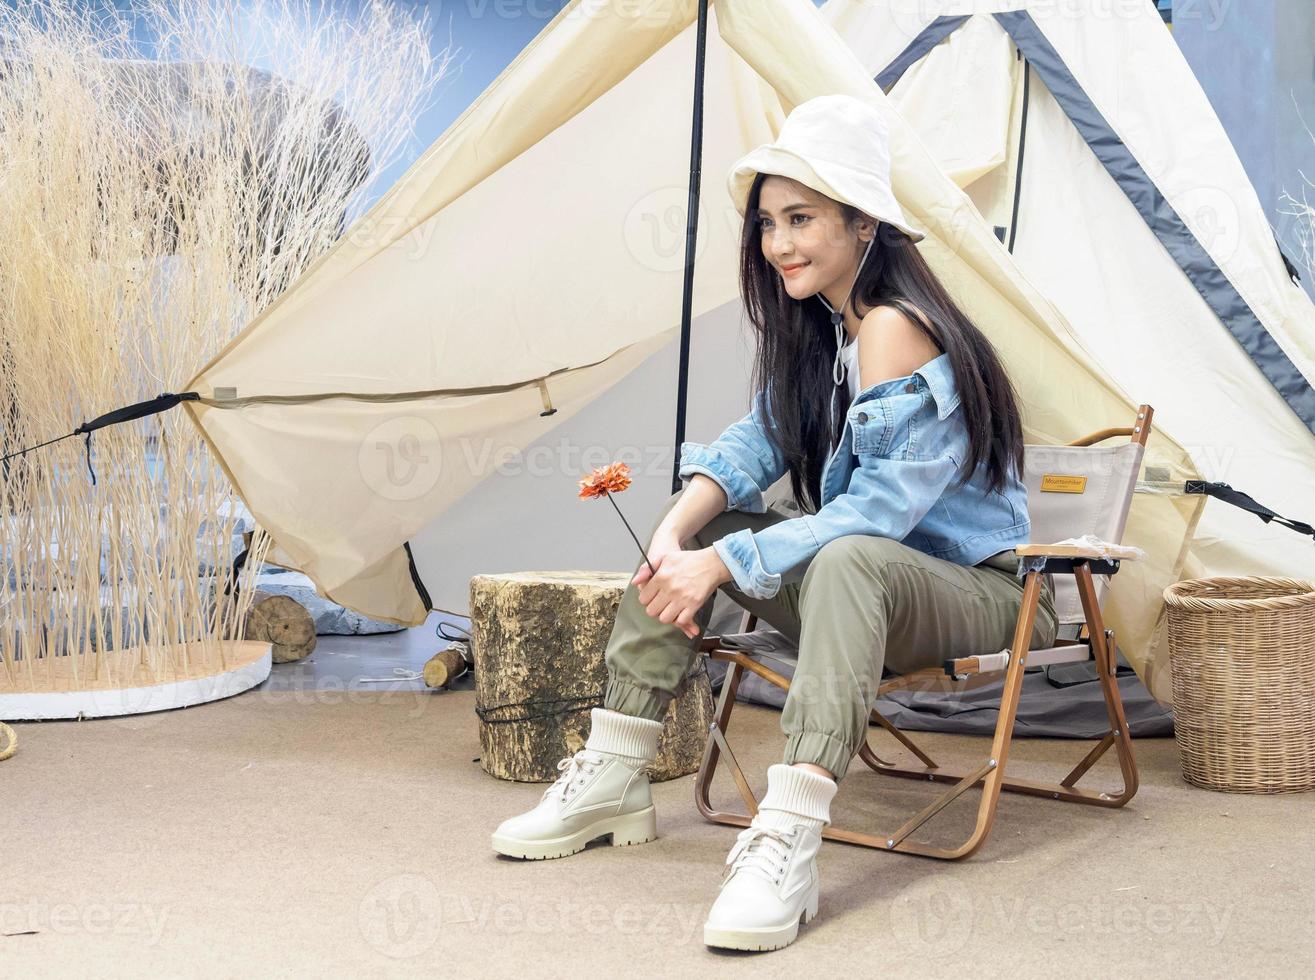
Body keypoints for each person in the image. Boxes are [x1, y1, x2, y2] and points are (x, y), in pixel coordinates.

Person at [490, 93, 1058, 952]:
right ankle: (613, 773)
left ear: (863, 222)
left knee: (846, 555)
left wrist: (720, 569)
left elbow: (876, 515)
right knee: (714, 533)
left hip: (980, 597)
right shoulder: (820, 328)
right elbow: (753, 442)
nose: (779, 243)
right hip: (863, 590)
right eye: (766, 223)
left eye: (801, 218)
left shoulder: (897, 329)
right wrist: (675, 536)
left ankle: (789, 834)